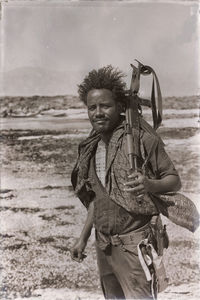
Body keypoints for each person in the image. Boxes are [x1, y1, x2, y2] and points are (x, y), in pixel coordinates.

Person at [70, 65, 181, 299]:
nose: (98, 112)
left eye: (105, 106)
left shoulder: (142, 139)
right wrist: (83, 238)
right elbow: (97, 199)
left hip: (135, 247)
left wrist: (149, 184)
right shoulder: (90, 148)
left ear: (120, 106)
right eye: (92, 107)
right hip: (104, 248)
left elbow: (174, 180)